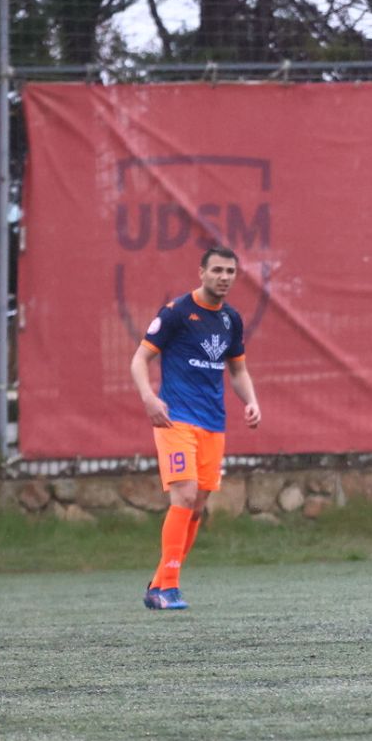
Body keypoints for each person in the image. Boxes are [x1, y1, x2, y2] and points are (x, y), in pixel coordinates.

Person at [129, 245, 261, 611]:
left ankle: (160, 582)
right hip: (175, 420)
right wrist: (149, 398)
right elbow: (140, 360)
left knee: (198, 506)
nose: (224, 277)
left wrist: (251, 401)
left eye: (230, 272)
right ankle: (167, 587)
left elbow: (237, 370)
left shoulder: (231, 319)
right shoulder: (176, 313)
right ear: (201, 272)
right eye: (217, 270)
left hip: (213, 424)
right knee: (184, 496)